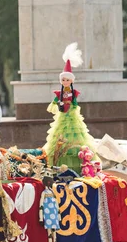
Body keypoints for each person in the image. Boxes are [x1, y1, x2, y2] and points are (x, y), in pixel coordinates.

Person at [42, 43, 98, 172]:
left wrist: (75, 108)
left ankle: (82, 165)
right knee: (60, 134)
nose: (65, 82)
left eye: (67, 80)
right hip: (63, 114)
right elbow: (56, 100)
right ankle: (58, 163)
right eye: (63, 80)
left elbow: (75, 103)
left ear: (71, 81)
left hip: (71, 114)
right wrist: (54, 104)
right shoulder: (60, 92)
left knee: (76, 135)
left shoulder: (73, 92)